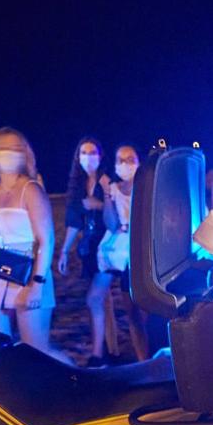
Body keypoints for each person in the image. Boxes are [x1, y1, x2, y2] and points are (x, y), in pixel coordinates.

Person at [0, 127, 55, 351]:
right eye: (3, 149)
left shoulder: (30, 190)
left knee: (37, 354)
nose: (9, 154)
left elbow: (46, 240)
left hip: (29, 274)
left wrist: (37, 285)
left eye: (15, 149)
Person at [57, 137, 117, 366]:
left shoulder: (108, 180)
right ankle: (105, 348)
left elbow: (119, 216)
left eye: (93, 152)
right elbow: (74, 221)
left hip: (110, 247)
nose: (88, 157)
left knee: (94, 298)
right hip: (89, 248)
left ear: (101, 156)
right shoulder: (78, 184)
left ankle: (97, 355)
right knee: (98, 300)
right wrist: (64, 251)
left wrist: (99, 203)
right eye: (83, 152)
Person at [96, 144, 150, 360]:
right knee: (132, 312)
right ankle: (142, 360)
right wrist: (107, 195)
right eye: (120, 160)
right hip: (124, 253)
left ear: (139, 161)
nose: (125, 164)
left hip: (145, 250)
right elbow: (110, 223)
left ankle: (152, 356)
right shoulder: (114, 189)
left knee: (147, 310)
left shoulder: (147, 186)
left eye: (130, 159)